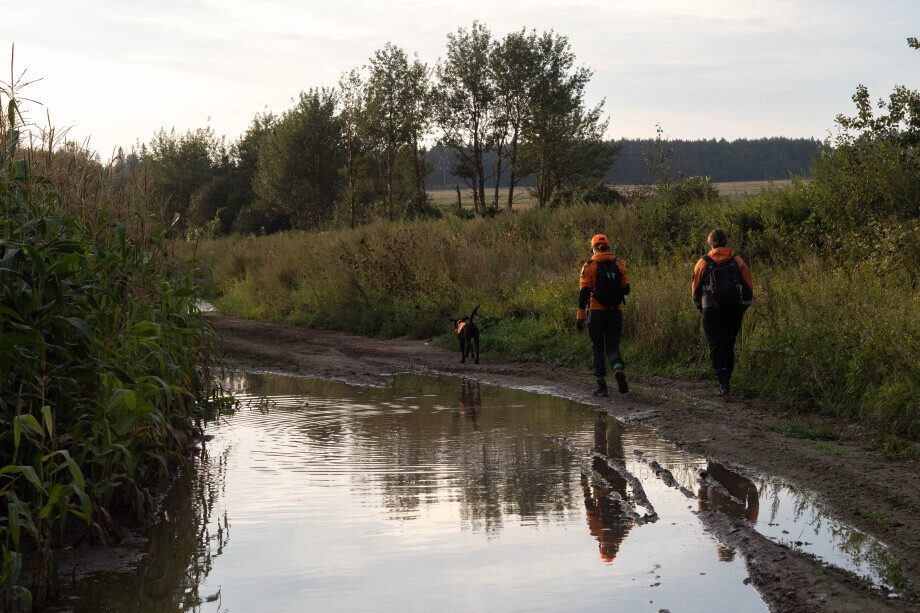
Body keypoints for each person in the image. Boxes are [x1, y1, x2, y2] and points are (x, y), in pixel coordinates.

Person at [691, 229, 753, 396]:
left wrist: (699, 307)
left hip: (710, 310)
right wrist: (743, 307)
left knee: (716, 346)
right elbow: (748, 289)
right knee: (729, 344)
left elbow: (695, 290)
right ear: (726, 242)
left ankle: (723, 382)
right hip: (733, 309)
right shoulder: (737, 261)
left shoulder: (703, 262)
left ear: (710, 244)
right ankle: (728, 378)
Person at [577, 234, 630, 397]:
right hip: (615, 311)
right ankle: (617, 368)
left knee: (597, 347)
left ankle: (602, 387)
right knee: (612, 345)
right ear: (608, 246)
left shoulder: (589, 266)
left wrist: (580, 316)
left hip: (596, 312)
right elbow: (626, 289)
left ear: (592, 247)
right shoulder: (619, 265)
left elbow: (584, 292)